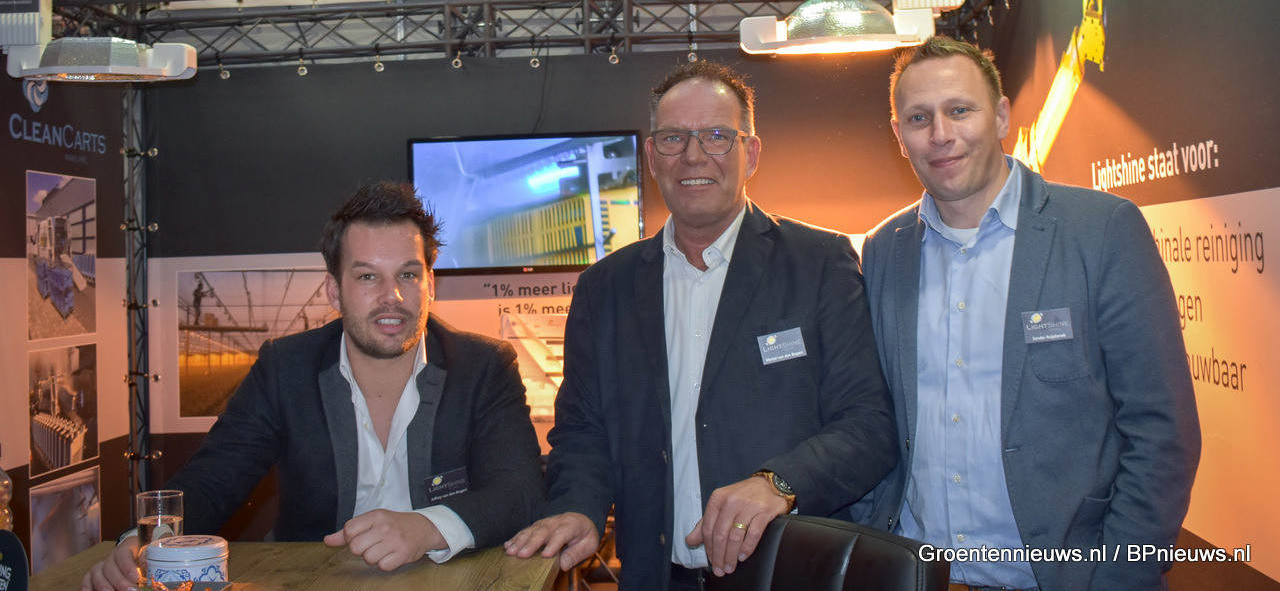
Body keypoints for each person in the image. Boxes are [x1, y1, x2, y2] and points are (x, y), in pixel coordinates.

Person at [506, 60, 896, 590]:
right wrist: (578, 507)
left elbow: (870, 426)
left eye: (716, 136)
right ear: (651, 157)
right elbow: (582, 433)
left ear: (750, 153)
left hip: (789, 575)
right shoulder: (605, 288)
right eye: (673, 138)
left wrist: (779, 484)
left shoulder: (819, 263)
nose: (693, 155)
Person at [856, 36, 1200, 590]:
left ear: (1000, 116)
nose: (940, 134)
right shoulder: (882, 250)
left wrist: (1117, 576)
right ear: (899, 135)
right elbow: (875, 422)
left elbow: (1162, 430)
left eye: (959, 110)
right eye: (919, 118)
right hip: (920, 577)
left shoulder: (1101, 230)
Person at [84, 181, 543, 591]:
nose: (392, 296)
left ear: (430, 284)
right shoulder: (286, 368)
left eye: (408, 274)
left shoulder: (483, 367)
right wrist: (143, 542)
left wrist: (427, 528)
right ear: (333, 290)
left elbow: (520, 492)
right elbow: (215, 476)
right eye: (368, 276)